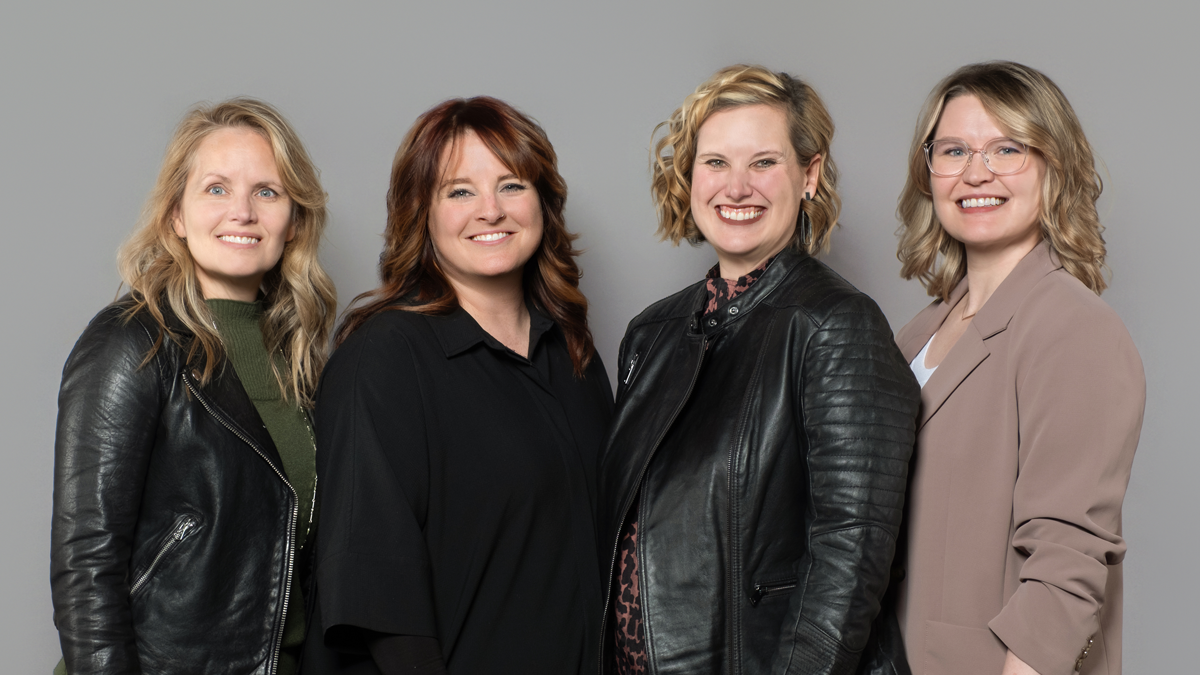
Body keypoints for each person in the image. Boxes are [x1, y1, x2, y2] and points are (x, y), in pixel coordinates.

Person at [597, 64, 920, 675]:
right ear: (688, 177)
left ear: (810, 175)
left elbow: (852, 554)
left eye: (764, 162)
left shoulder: (837, 325)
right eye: (715, 162)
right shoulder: (651, 334)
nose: (736, 187)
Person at [305, 96, 613, 675]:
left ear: (543, 202)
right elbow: (374, 593)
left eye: (512, 185)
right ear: (420, 212)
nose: (490, 210)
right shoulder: (385, 356)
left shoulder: (574, 353)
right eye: (459, 191)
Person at [51, 98, 337, 675]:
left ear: (294, 219)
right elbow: (87, 565)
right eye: (215, 189)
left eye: (267, 191)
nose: (242, 212)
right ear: (176, 215)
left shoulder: (300, 360)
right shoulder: (131, 342)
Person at [893, 61, 1145, 675]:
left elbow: (1068, 563)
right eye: (954, 149)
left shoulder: (1073, 328)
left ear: (1053, 165)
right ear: (929, 173)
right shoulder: (916, 332)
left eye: (1007, 148)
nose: (976, 172)